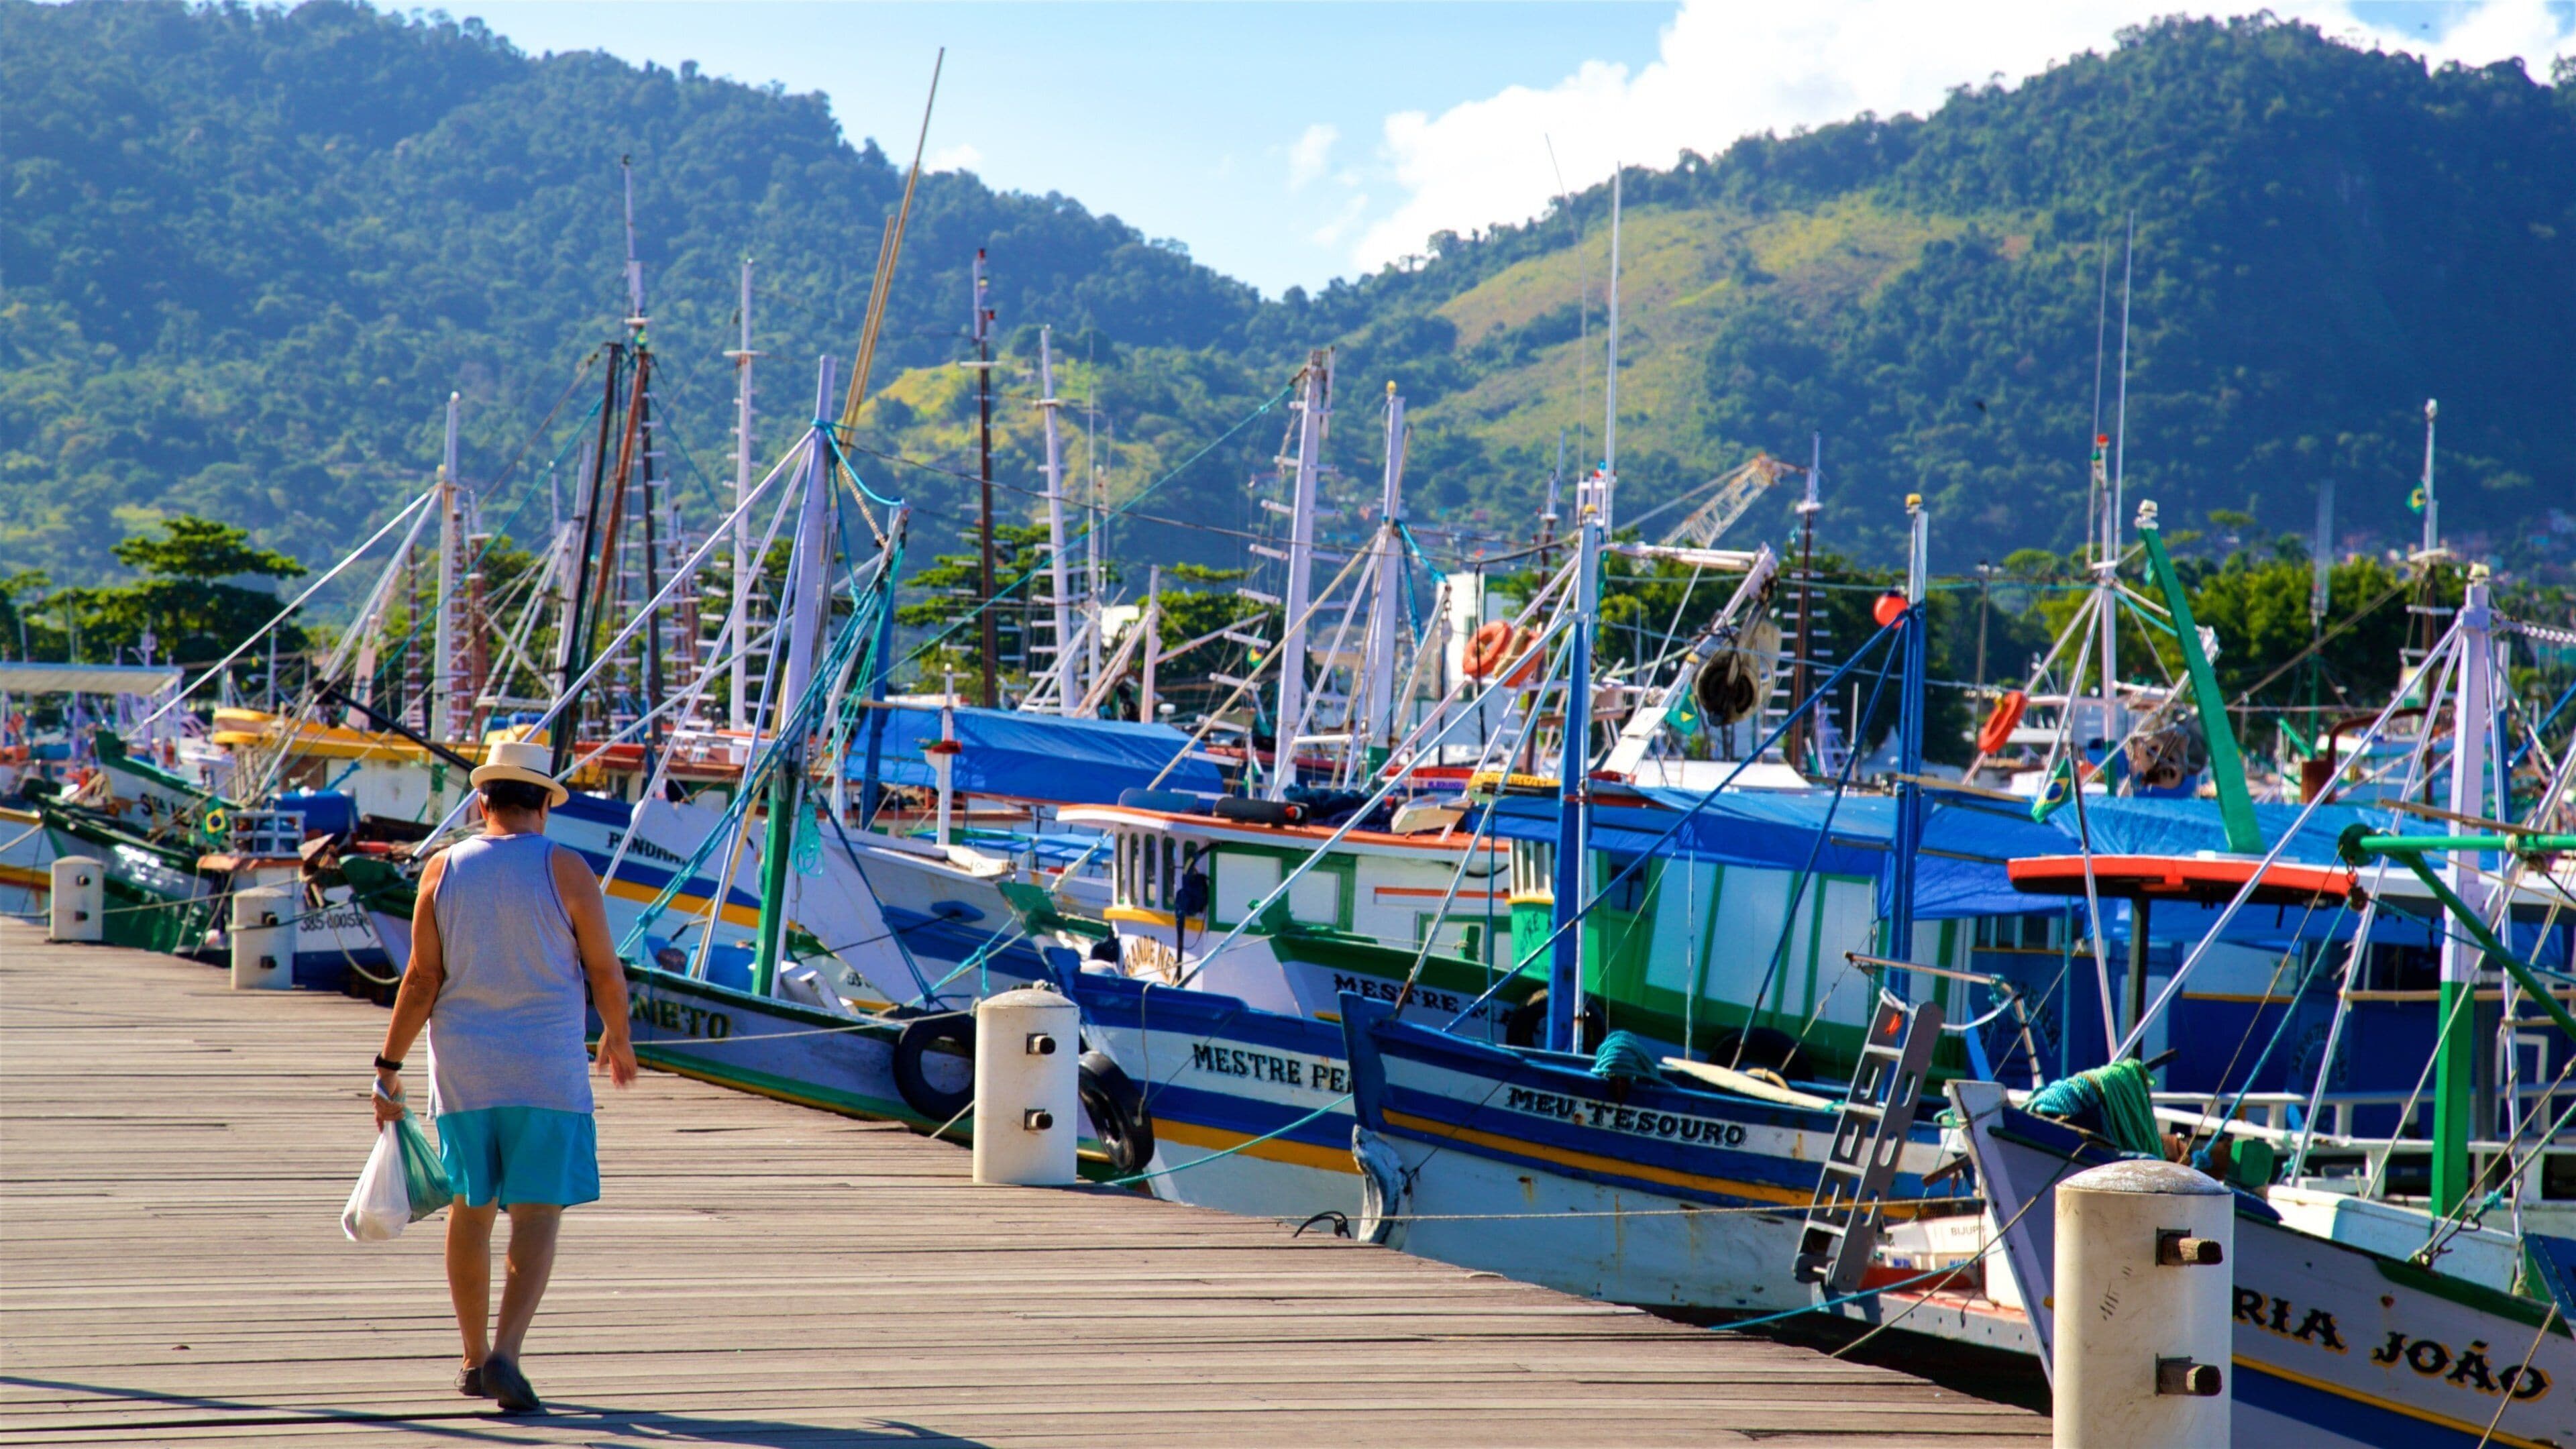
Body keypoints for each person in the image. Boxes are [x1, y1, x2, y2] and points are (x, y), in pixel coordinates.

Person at [372, 739, 637, 1413]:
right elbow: (604, 970)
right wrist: (618, 1034)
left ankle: (471, 1357)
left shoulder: (442, 869)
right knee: (538, 1212)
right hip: (546, 1069)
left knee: (472, 1208)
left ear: (482, 801)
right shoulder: (566, 868)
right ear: (544, 804)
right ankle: (507, 1355)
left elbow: (422, 978)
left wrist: (388, 1066)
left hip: (464, 1070)